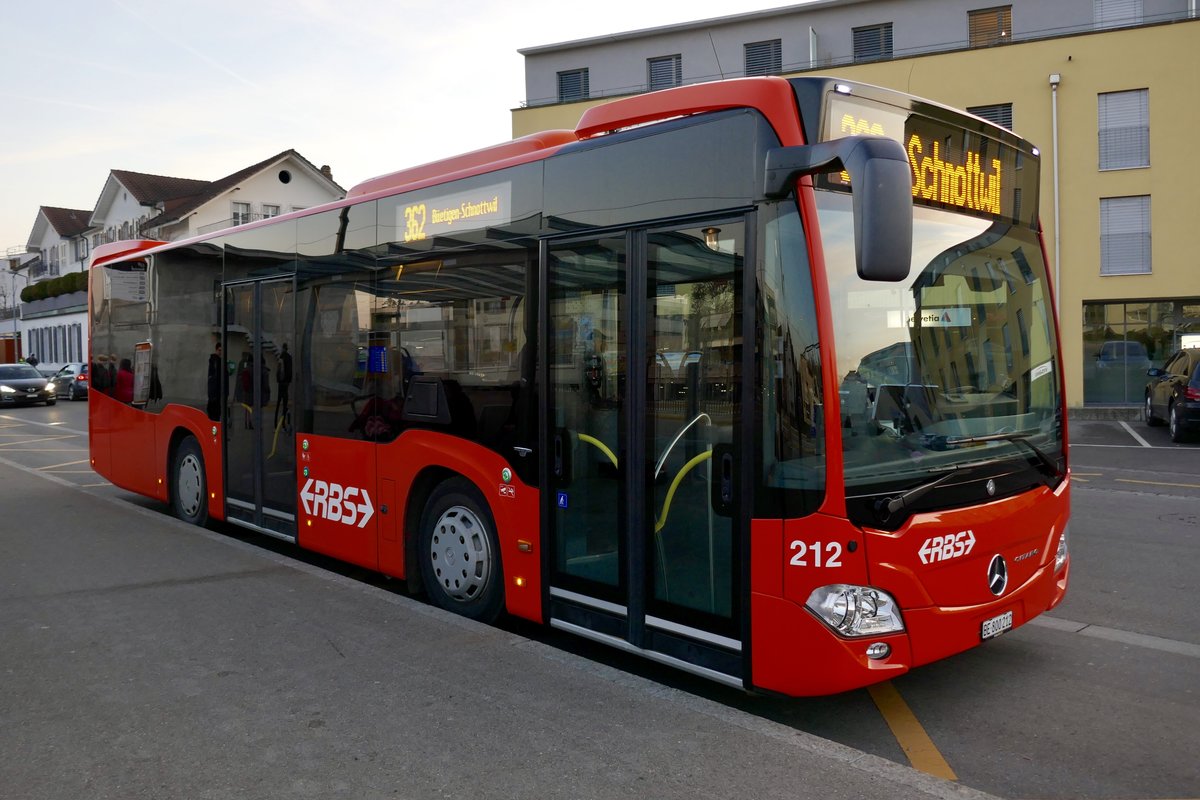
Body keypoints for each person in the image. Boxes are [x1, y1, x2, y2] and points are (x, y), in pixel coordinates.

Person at [274, 343, 293, 431]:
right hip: (286, 382)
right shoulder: (289, 357)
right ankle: (283, 424)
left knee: (278, 403)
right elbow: (290, 371)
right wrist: (289, 380)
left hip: (280, 383)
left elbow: (278, 370)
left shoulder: (281, 357)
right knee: (284, 404)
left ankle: (275, 424)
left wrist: (278, 380)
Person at [206, 343, 223, 421]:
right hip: (215, 391)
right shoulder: (216, 361)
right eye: (219, 350)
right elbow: (215, 377)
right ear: (216, 350)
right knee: (214, 413)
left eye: (221, 350)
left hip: (215, 391)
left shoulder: (215, 360)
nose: (220, 352)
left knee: (214, 413)